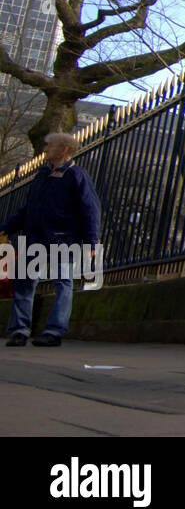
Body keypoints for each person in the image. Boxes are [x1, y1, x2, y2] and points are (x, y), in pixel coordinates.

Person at [3, 132, 101, 347]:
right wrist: (6, 229)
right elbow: (28, 208)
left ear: (64, 149)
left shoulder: (77, 175)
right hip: (35, 238)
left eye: (50, 146)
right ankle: (19, 330)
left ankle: (54, 331)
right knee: (24, 284)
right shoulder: (42, 175)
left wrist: (91, 242)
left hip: (62, 239)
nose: (45, 149)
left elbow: (90, 210)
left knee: (63, 283)